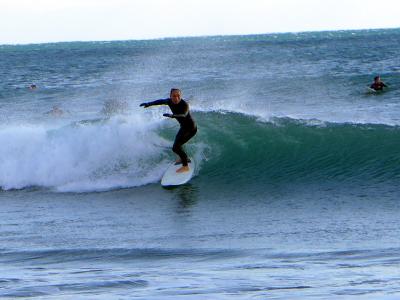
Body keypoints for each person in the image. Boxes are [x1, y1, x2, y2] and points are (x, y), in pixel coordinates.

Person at [140, 88, 197, 173]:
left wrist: (172, 116)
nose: (176, 98)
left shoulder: (185, 104)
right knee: (177, 145)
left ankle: (185, 166)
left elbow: (184, 115)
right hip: (183, 127)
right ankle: (184, 158)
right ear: (170, 96)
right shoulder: (169, 101)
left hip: (191, 128)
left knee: (175, 147)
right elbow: (159, 101)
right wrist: (148, 104)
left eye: (178, 96)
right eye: (174, 96)